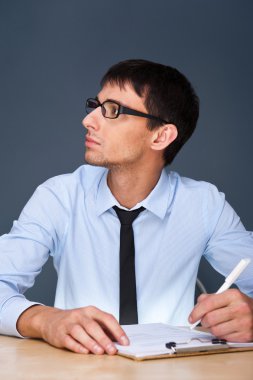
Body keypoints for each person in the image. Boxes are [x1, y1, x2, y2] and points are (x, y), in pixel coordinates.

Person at [0, 59, 252, 355]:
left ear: (161, 136)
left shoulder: (204, 205)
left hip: (173, 372)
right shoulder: (59, 196)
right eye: (96, 105)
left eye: (113, 110)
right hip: (77, 370)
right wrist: (44, 320)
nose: (89, 120)